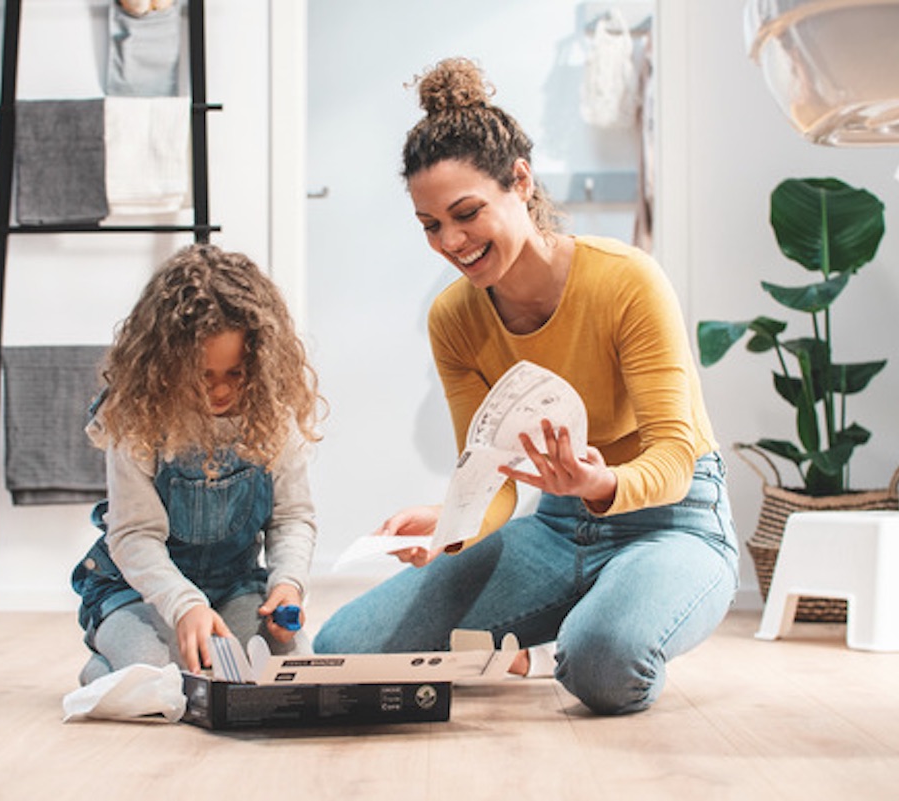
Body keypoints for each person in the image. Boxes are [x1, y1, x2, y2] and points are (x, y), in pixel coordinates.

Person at [312, 57, 739, 715]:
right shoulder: (453, 319)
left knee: (602, 662)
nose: (452, 240)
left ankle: (586, 628)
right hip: (558, 528)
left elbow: (677, 458)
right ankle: (557, 630)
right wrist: (452, 524)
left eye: (466, 213)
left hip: (673, 522)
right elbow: (493, 476)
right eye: (431, 225)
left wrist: (599, 483)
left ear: (520, 181)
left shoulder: (627, 282)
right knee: (343, 647)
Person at [72, 243, 324, 685]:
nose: (221, 392)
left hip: (235, 587)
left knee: (286, 669)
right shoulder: (136, 418)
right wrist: (185, 605)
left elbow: (292, 518)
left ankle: (140, 670)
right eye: (203, 376)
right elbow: (134, 535)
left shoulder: (273, 417)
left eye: (236, 374)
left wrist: (287, 585)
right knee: (158, 673)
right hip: (138, 590)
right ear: (166, 365)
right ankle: (110, 665)